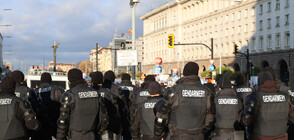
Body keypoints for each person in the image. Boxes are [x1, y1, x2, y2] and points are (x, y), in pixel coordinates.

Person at [154, 62, 215, 140]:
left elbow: (161, 116)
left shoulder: (174, 91)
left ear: (184, 74)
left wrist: (158, 135)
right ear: (196, 74)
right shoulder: (207, 92)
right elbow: (210, 118)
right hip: (198, 135)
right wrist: (202, 130)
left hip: (176, 135)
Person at [56, 69, 108, 140]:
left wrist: (60, 138)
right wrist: (98, 133)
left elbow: (63, 121)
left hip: (75, 135)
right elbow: (104, 119)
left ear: (70, 81)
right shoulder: (96, 93)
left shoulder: (69, 95)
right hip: (92, 134)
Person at [242, 71, 294, 140]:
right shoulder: (286, 97)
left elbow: (246, 121)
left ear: (259, 82)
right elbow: (292, 118)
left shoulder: (254, 97)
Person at [31, 72, 64, 140]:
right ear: (51, 79)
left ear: (41, 80)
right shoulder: (59, 90)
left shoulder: (35, 92)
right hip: (56, 124)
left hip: (41, 125)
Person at [116, 73, 138, 140]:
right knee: (128, 132)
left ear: (122, 79)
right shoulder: (135, 88)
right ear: (130, 79)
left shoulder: (117, 87)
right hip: (131, 113)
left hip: (119, 112)